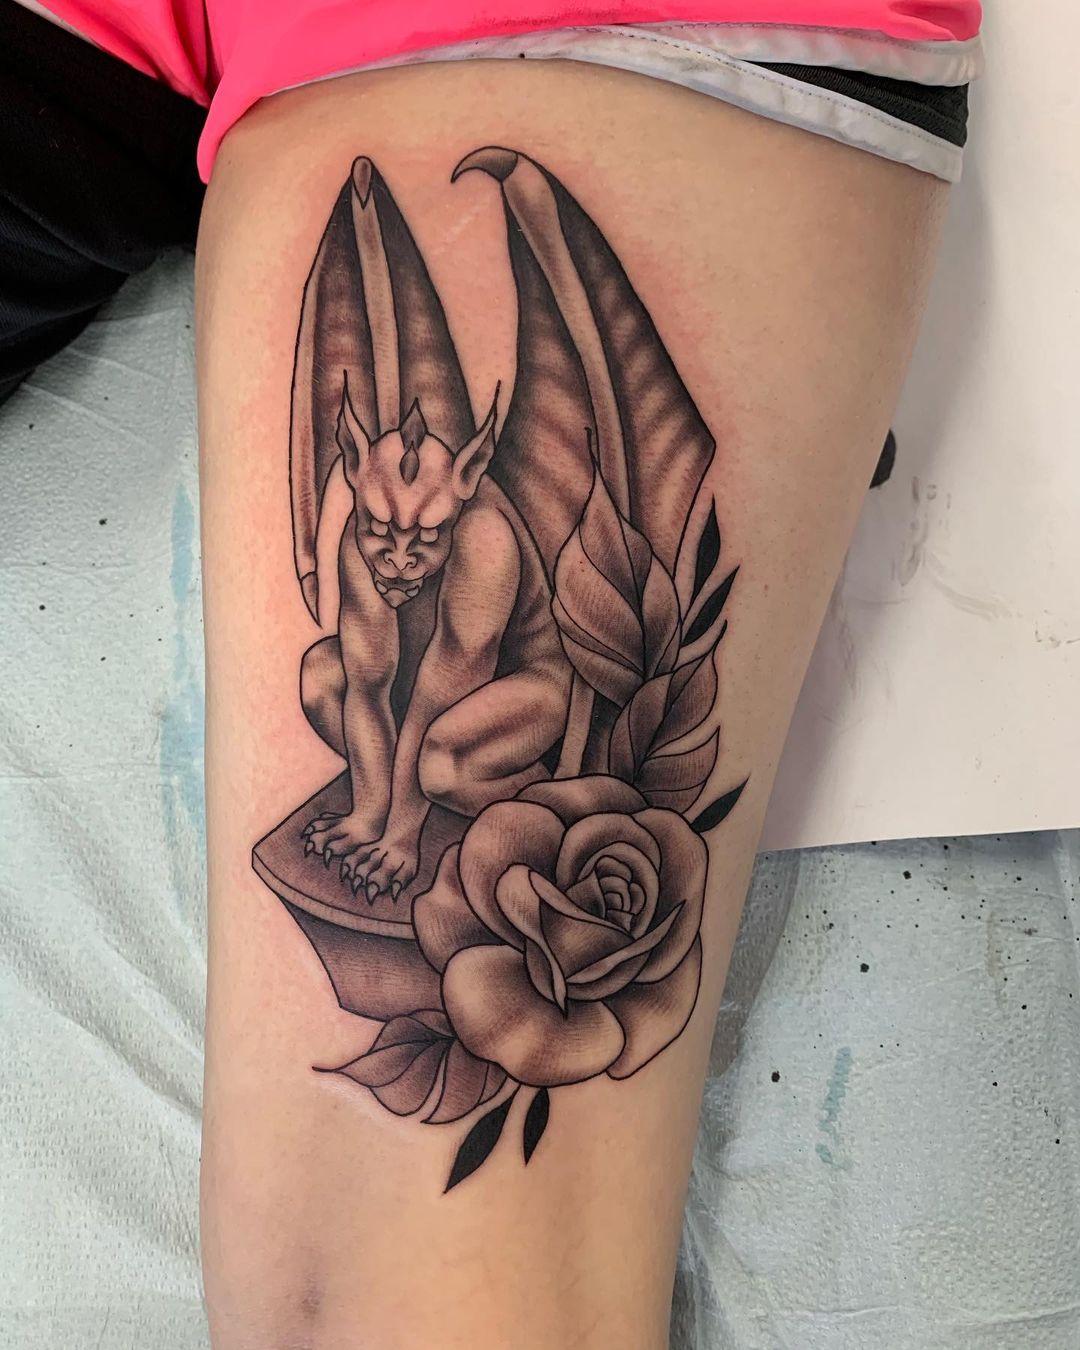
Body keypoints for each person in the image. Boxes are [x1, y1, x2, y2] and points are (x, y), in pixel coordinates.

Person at [2, 3, 982, 1346]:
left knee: (439, 739)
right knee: (341, 685)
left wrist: (396, 820)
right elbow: (362, 672)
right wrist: (367, 785)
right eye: (381, 530)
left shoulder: (477, 553)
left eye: (419, 533)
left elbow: (400, 1289)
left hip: (499, 723)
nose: (398, 553)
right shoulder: (369, 526)